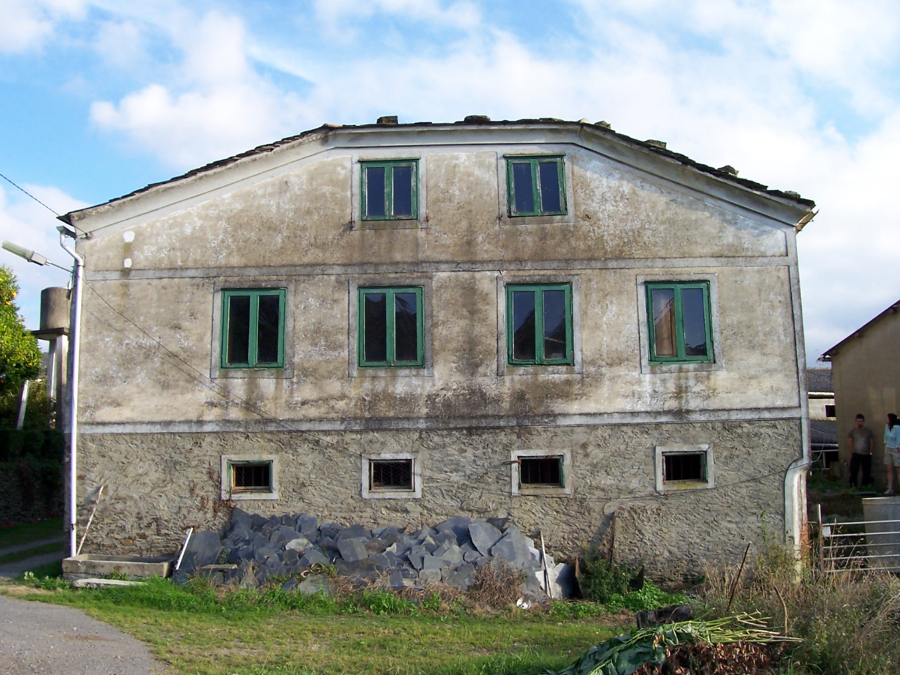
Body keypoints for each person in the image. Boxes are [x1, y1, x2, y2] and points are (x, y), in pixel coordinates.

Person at [847, 413, 875, 488]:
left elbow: (872, 442)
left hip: (866, 454)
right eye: (858, 421)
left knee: (866, 472)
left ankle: (865, 486)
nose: (860, 423)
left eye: (861, 421)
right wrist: (852, 452)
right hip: (856, 454)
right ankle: (853, 486)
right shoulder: (853, 431)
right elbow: (849, 441)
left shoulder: (868, 431)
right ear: (856, 421)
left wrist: (871, 453)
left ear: (863, 421)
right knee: (854, 471)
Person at [883, 413, 900, 495]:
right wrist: (885, 443)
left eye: (888, 418)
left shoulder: (897, 427)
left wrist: (898, 446)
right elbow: (885, 436)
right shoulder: (887, 426)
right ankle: (890, 488)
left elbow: (898, 437)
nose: (887, 420)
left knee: (898, 470)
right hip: (888, 449)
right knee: (889, 470)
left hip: (895, 449)